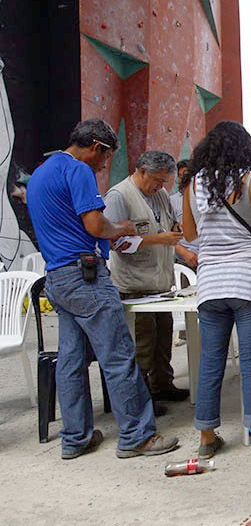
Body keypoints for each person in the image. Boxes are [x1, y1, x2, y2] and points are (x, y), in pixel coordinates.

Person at [26, 118, 178, 460]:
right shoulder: (79, 170)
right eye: (105, 157)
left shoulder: (41, 174)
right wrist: (120, 226)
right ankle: (137, 436)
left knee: (71, 360)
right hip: (86, 276)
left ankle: (75, 437)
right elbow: (95, 225)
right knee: (118, 356)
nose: (104, 164)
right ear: (97, 147)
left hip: (57, 277)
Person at [181, 120, 251, 469]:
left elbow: (189, 234)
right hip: (248, 281)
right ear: (245, 148)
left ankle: (206, 439)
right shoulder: (250, 181)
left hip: (211, 283)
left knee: (210, 363)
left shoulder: (193, 185)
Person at [104, 151, 188, 404]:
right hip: (135, 285)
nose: (161, 186)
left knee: (163, 340)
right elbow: (115, 243)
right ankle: (141, 397)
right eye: (157, 180)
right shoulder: (119, 196)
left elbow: (170, 223)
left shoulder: (160, 195)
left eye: (165, 182)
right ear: (141, 171)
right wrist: (158, 239)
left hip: (161, 283)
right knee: (142, 344)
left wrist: (174, 231)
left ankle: (163, 384)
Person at [170, 159, 199, 269]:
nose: (183, 179)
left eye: (187, 175)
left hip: (208, 259)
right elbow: (166, 233)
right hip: (185, 262)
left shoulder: (205, 199)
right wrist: (185, 253)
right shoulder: (172, 202)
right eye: (180, 176)